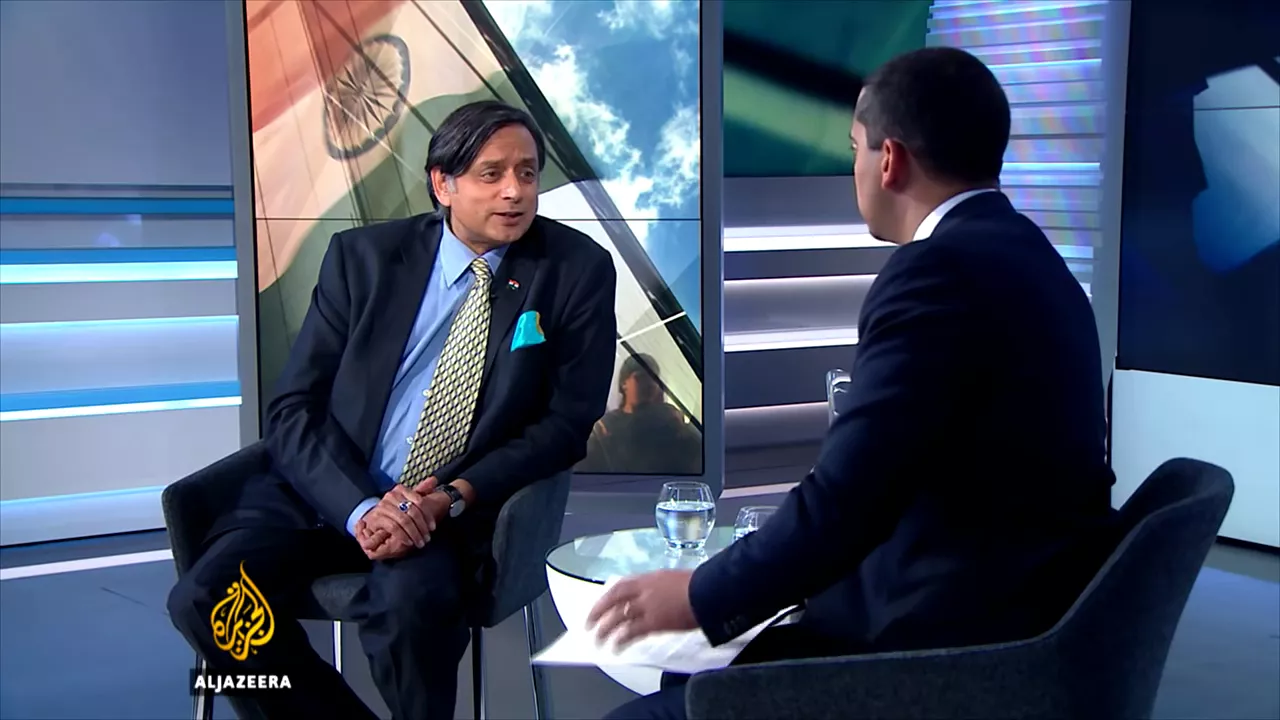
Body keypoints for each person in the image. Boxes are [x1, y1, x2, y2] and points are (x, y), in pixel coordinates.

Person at [591, 46, 1118, 720]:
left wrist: (698, 594)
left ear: (889, 159)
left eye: (854, 150)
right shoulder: (1032, 254)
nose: (855, 170)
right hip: (1026, 615)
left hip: (942, 650)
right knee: (687, 677)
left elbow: (849, 502)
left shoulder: (934, 271)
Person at [167, 100, 618, 720]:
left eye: (527, 173)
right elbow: (295, 407)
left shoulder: (574, 269)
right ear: (443, 183)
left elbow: (566, 425)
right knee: (204, 600)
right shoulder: (364, 258)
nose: (515, 191)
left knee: (410, 612)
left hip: (447, 514)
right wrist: (360, 508)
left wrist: (449, 497)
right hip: (326, 497)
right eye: (491, 174)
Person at [578, 353, 702, 474]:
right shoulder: (605, 427)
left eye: (654, 378)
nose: (649, 384)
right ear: (624, 384)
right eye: (641, 377)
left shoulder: (670, 419)